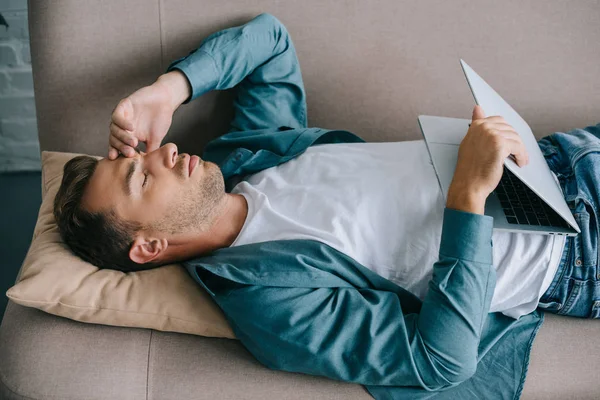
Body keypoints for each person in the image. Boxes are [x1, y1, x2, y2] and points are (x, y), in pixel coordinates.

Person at [52, 12, 599, 398]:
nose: (167, 151)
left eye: (145, 155)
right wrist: (469, 197)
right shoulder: (269, 303)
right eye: (143, 179)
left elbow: (269, 40)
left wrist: (169, 91)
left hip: (568, 153)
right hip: (580, 254)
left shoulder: (244, 159)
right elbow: (440, 362)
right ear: (149, 246)